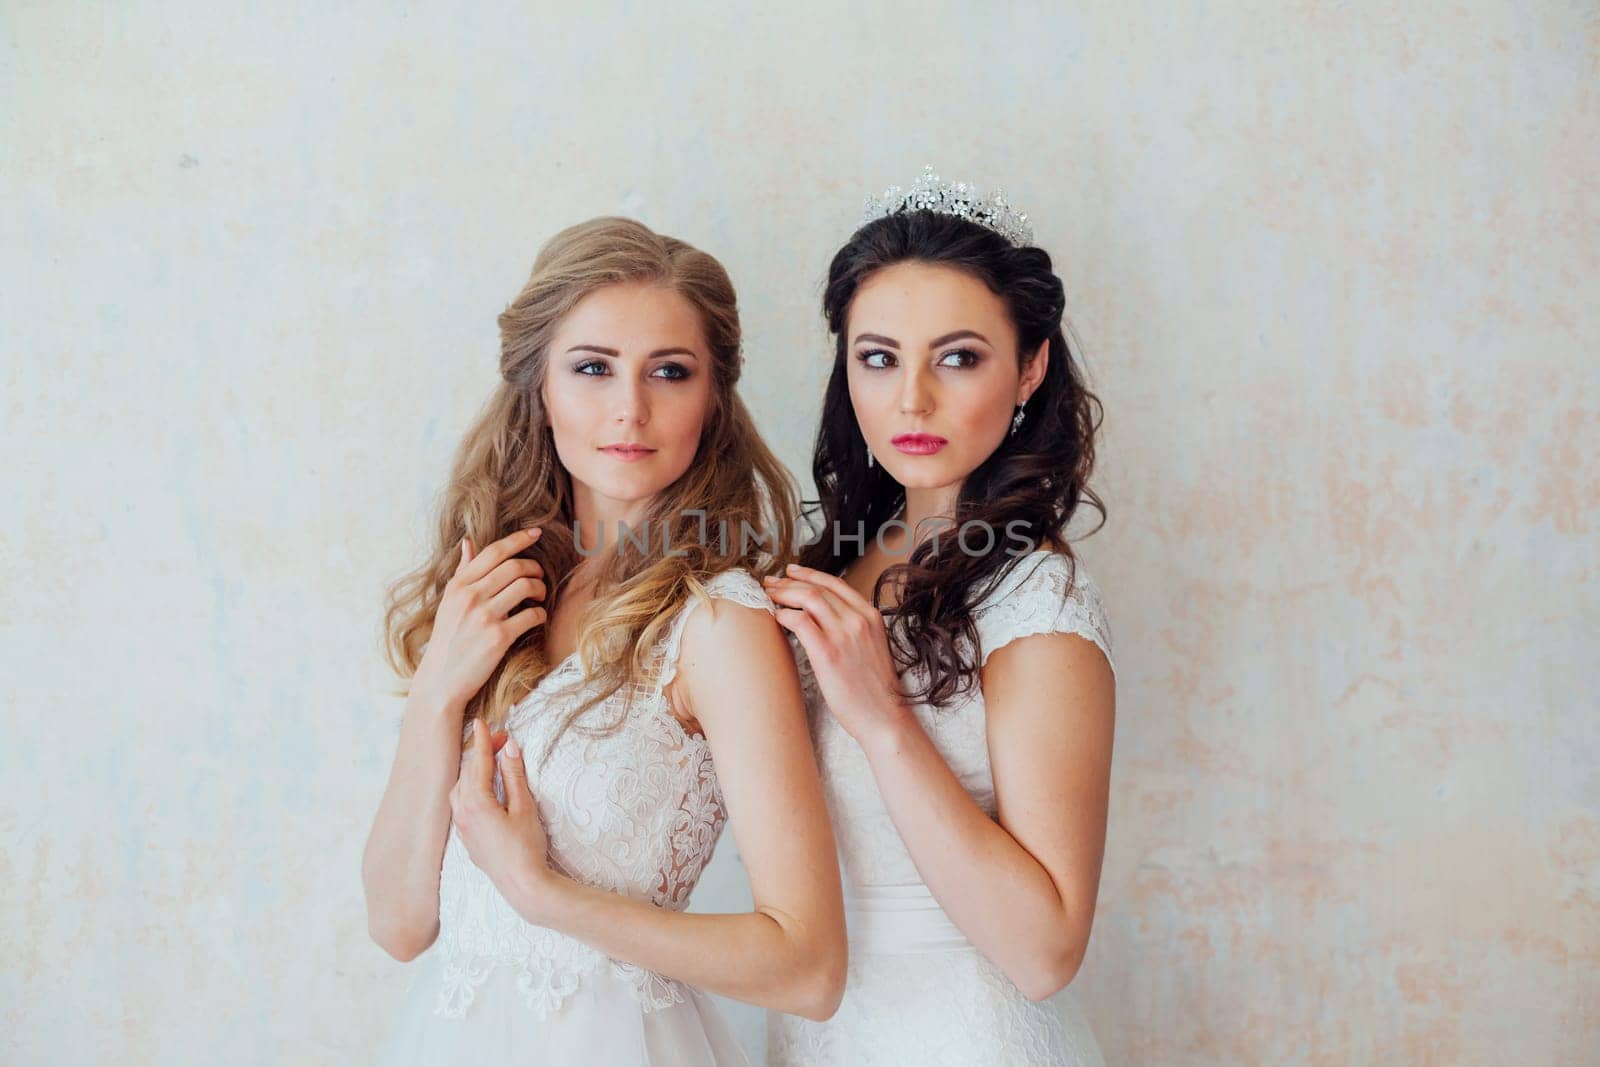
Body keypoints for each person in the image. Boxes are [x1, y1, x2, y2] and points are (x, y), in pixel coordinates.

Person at [363, 216, 846, 1065]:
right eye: (592, 368)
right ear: (538, 386)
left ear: (713, 397)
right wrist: (440, 688)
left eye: (670, 371)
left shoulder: (718, 622)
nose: (630, 407)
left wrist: (542, 894)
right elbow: (400, 924)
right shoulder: (496, 595)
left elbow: (808, 967)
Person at [764, 168, 1115, 1065]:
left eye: (958, 356)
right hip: (815, 1027)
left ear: (1030, 364)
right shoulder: (829, 562)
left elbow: (1045, 952)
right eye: (878, 357)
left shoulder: (1037, 601)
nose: (911, 399)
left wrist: (883, 719)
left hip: (963, 1034)